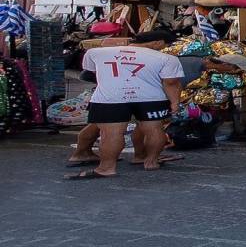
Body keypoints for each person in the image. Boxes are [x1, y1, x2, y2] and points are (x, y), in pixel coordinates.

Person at [64, 31, 184, 180]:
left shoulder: (95, 52)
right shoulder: (167, 58)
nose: (165, 48)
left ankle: (107, 167)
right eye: (166, 44)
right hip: (150, 97)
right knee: (154, 129)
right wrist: (175, 103)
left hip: (111, 97)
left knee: (111, 133)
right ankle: (151, 161)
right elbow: (171, 83)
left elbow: (91, 73)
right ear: (158, 42)